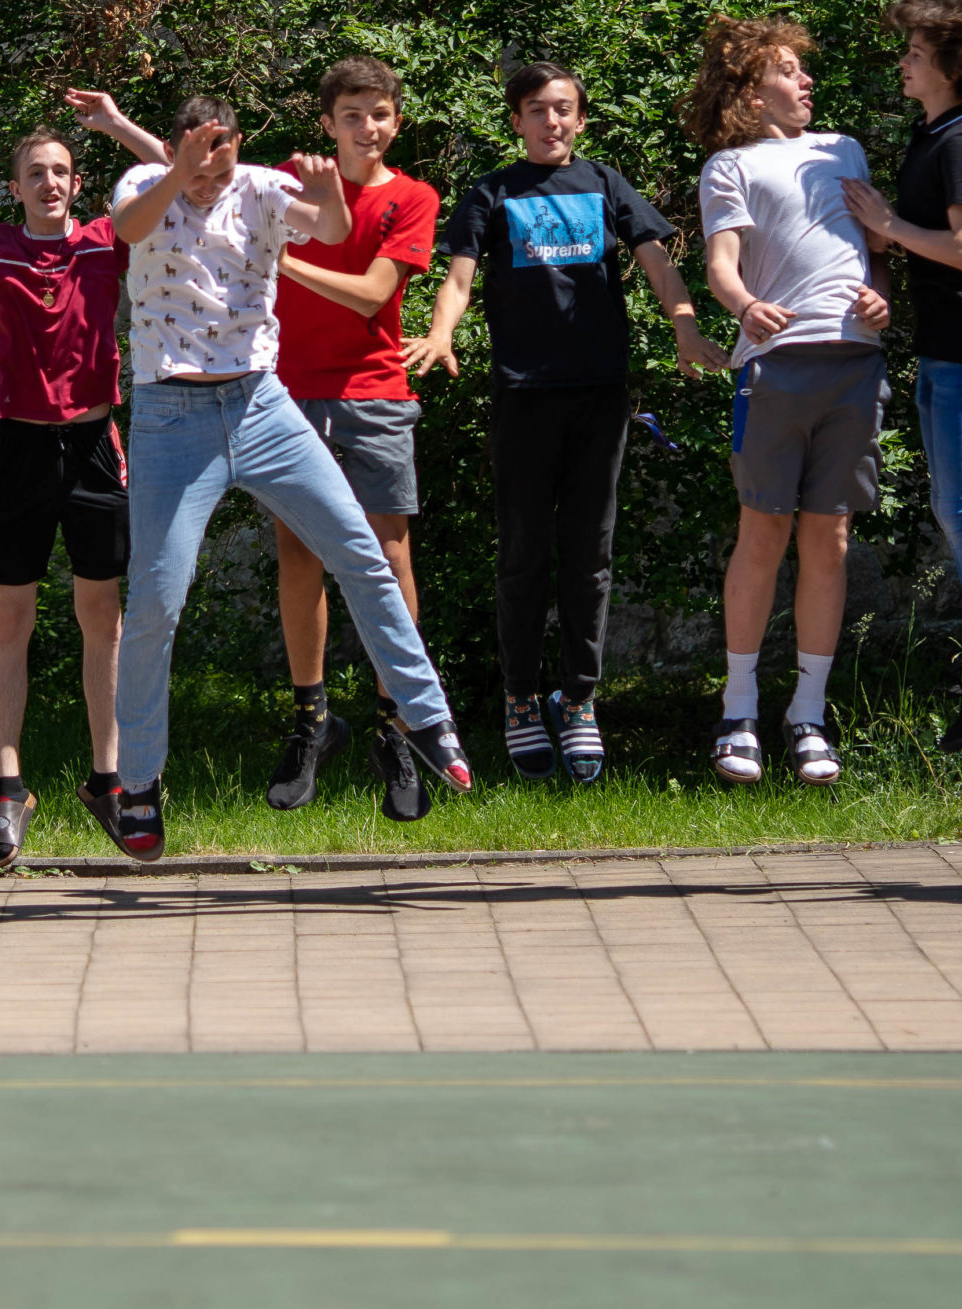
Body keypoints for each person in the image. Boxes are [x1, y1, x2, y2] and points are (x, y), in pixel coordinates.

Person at [107, 96, 474, 861]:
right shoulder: (144, 183)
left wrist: (329, 190)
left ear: (238, 146)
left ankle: (426, 715)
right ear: (174, 146)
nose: (209, 169)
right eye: (194, 149)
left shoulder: (261, 188)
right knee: (155, 600)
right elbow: (132, 229)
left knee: (362, 552)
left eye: (221, 151)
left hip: (260, 405)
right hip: (172, 415)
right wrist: (178, 167)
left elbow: (333, 230)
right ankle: (136, 783)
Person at [408, 64, 727, 782]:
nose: (551, 121)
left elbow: (658, 263)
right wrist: (441, 333)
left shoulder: (606, 183)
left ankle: (579, 699)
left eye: (563, 109)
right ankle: (522, 698)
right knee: (522, 554)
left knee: (590, 554)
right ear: (515, 121)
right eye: (536, 109)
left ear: (580, 120)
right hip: (523, 396)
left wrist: (684, 327)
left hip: (599, 394)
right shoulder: (492, 191)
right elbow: (458, 278)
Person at [687, 19, 892, 789]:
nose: (806, 80)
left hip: (855, 366)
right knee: (764, 532)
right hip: (773, 367)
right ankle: (738, 711)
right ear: (750, 92)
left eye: (805, 69)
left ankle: (808, 715)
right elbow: (721, 265)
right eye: (788, 70)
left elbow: (874, 251)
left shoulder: (845, 151)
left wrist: (882, 295)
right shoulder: (729, 166)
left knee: (829, 540)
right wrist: (744, 305)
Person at [841, 0, 962, 752]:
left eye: (916, 54)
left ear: (951, 68)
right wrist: (882, 238)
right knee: (955, 507)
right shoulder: (931, 135)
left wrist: (888, 223)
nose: (904, 63)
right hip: (942, 346)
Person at [0, 89, 167, 865]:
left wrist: (116, 124)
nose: (49, 182)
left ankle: (107, 780)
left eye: (60, 171)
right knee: (10, 619)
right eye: (35, 172)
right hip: (17, 447)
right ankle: (7, 788)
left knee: (102, 616)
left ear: (77, 183)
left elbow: (179, 172)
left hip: (92, 446)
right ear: (14, 187)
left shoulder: (103, 240)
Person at [262, 57, 442, 810]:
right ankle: (312, 721)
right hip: (286, 393)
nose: (368, 127)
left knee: (389, 556)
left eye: (380, 114)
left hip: (374, 394)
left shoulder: (414, 197)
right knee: (298, 550)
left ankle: (399, 725)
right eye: (352, 115)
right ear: (327, 123)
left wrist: (283, 261)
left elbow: (372, 294)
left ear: (397, 120)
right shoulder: (288, 181)